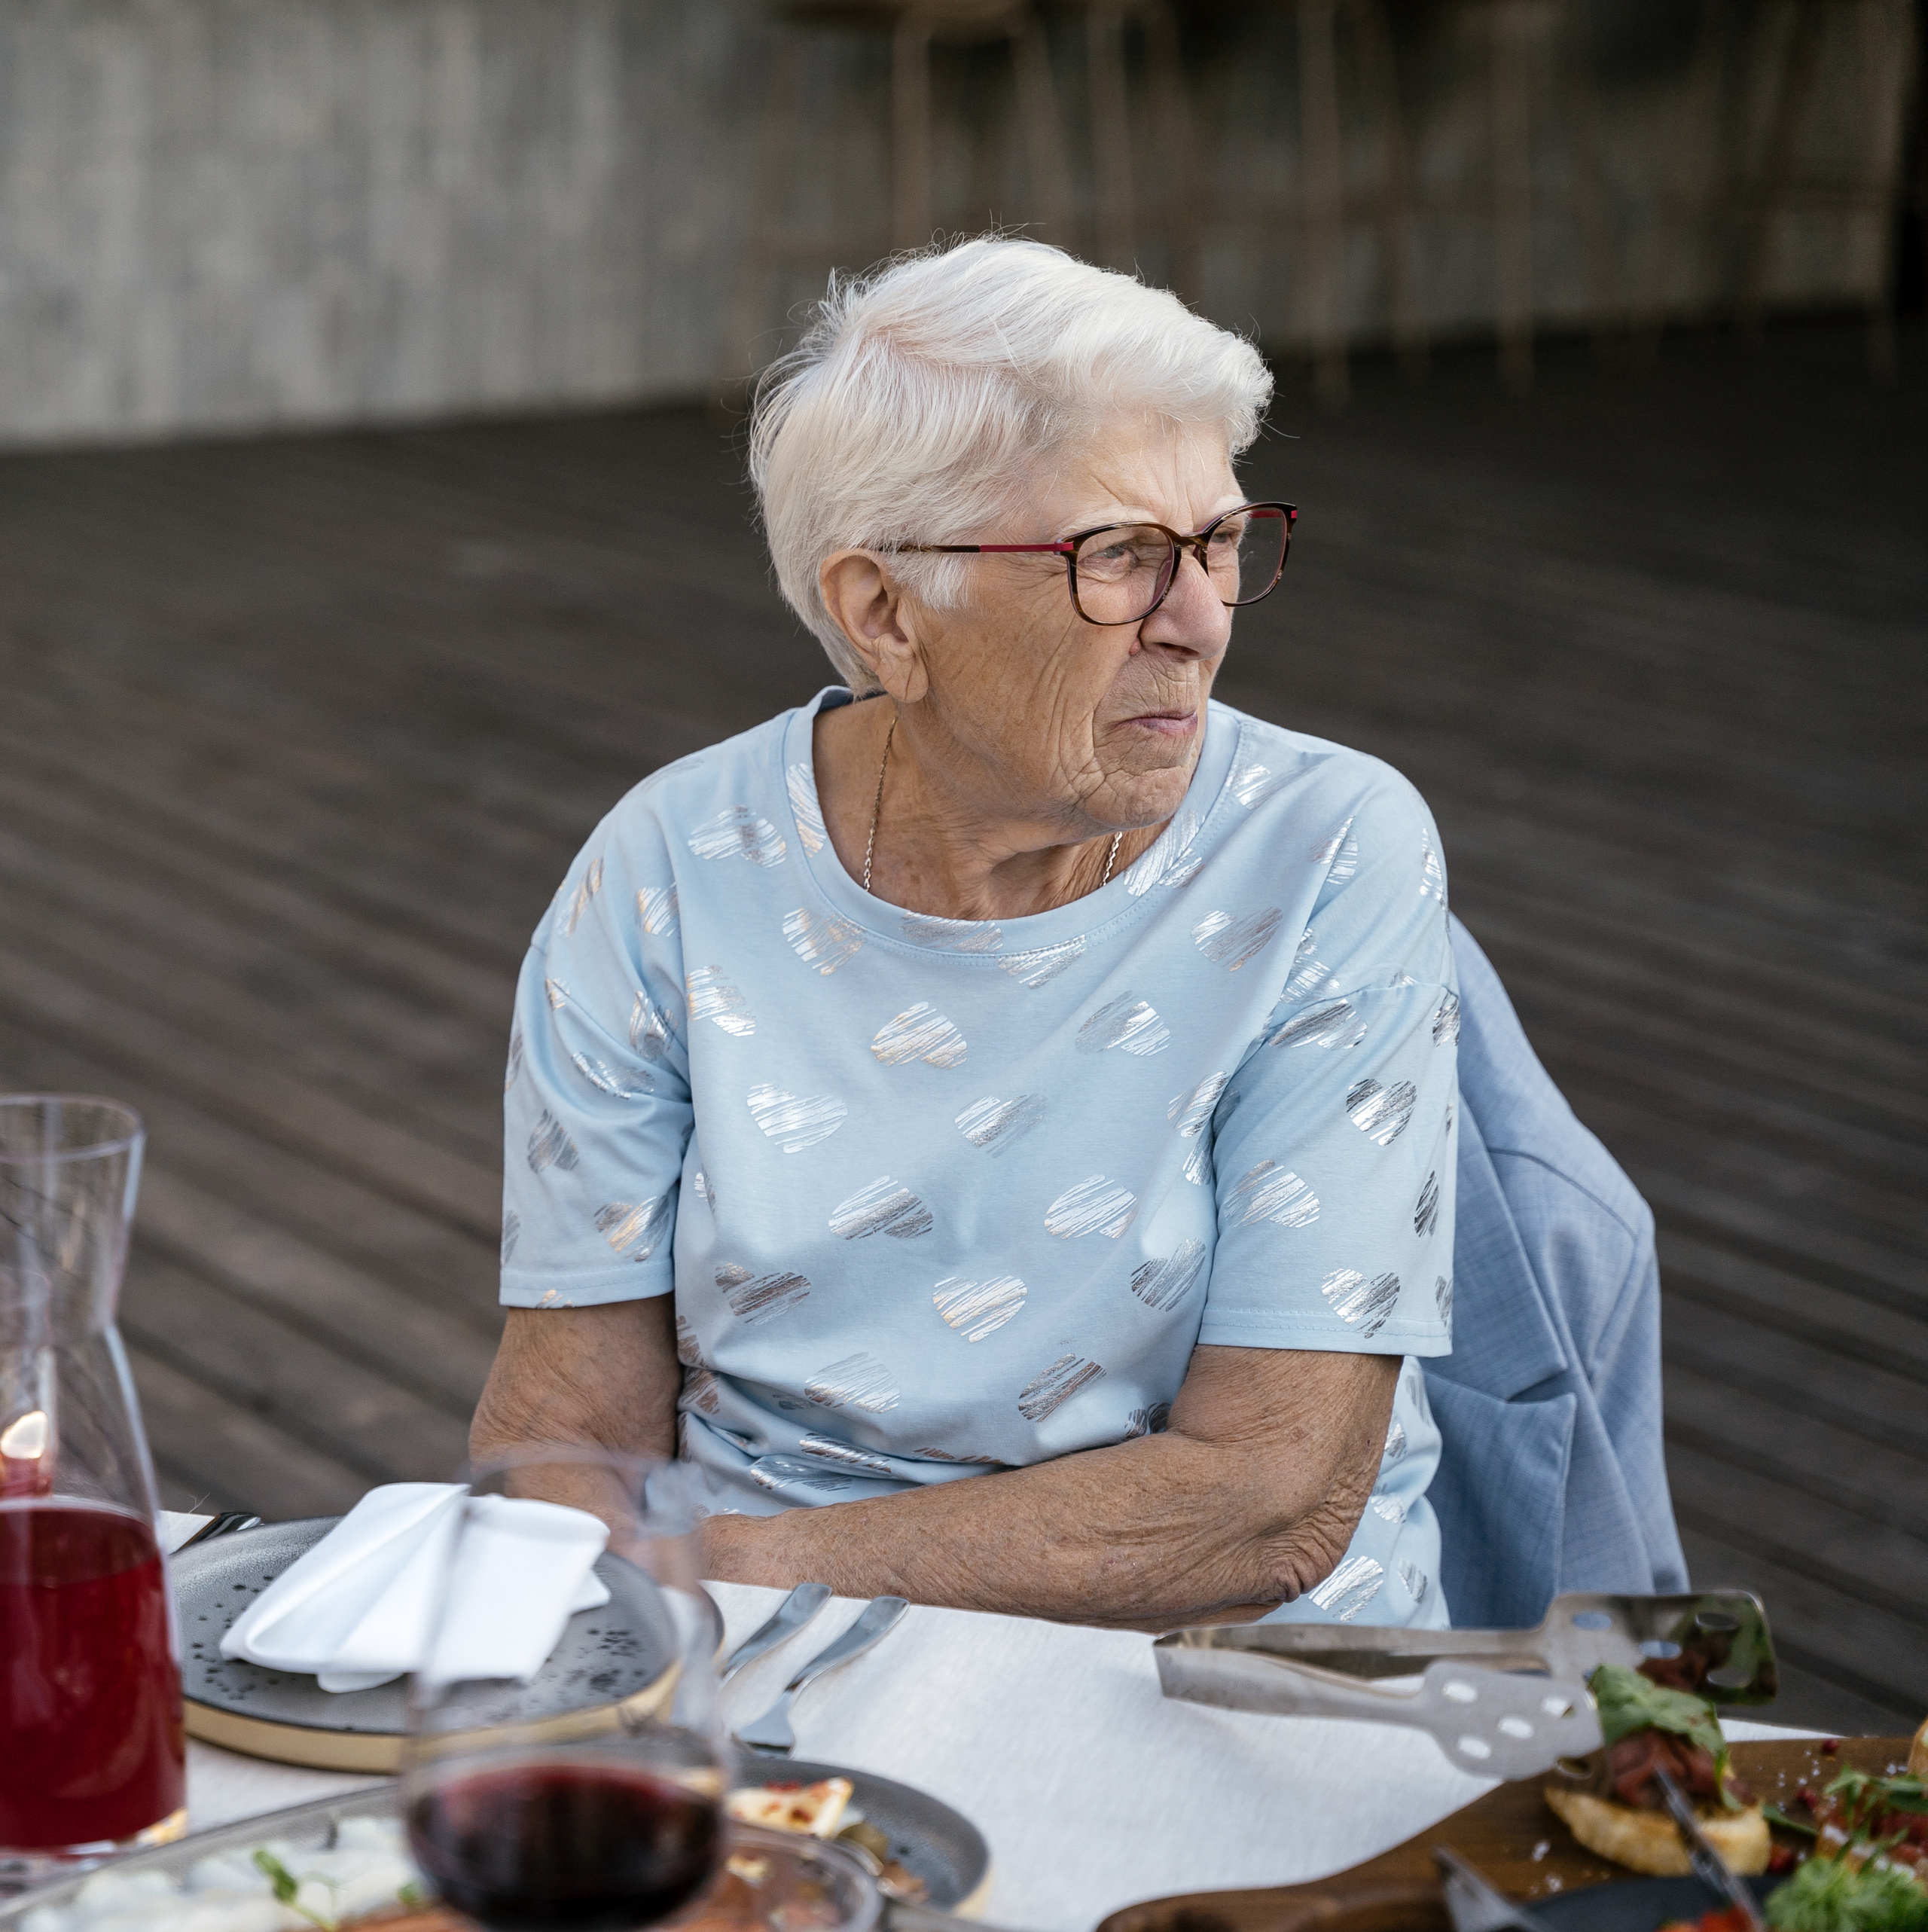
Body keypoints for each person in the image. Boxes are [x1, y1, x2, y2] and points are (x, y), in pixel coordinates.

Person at [474, 236, 1459, 1630]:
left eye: (1222, 542)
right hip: (748, 1668)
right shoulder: (671, 865)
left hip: (1204, 1659)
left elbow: (1272, 1497)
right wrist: (612, 1630)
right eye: (1118, 556)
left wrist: (732, 1574)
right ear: (884, 611)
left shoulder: (1327, 847)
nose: (1198, 620)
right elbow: (568, 1437)